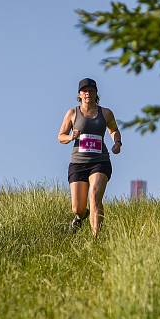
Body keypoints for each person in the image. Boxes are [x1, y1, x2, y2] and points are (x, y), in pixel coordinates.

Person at [57, 78, 121, 236]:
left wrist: (117, 143)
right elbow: (60, 136)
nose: (88, 93)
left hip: (100, 162)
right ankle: (80, 216)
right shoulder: (72, 113)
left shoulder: (105, 113)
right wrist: (71, 137)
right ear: (79, 94)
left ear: (96, 93)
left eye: (91, 91)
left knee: (94, 195)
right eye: (84, 91)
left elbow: (113, 130)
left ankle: (96, 239)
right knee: (77, 207)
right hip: (78, 163)